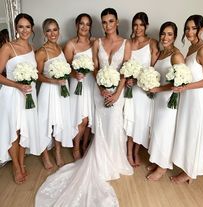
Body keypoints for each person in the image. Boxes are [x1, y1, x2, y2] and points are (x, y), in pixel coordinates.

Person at [35, 8, 133, 206]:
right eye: (104, 22)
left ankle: (113, 158)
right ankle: (82, 150)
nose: (106, 25)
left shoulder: (118, 43)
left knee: (111, 124)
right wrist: (100, 86)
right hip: (93, 88)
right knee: (87, 119)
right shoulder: (94, 42)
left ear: (116, 23)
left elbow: (125, 70)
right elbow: (89, 67)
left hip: (114, 92)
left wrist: (116, 93)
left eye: (110, 21)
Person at [0, 13, 41, 184]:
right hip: (12, 95)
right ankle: (16, 167)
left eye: (27, 27)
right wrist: (17, 85)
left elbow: (35, 74)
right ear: (16, 29)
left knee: (25, 129)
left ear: (32, 29)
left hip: (28, 95)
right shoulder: (7, 47)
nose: (24, 30)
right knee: (14, 131)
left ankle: (22, 163)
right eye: (21, 26)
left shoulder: (32, 48)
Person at [171, 15, 203, 184]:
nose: (189, 32)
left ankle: (190, 172)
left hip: (197, 99)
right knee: (187, 132)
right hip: (187, 97)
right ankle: (187, 168)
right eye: (187, 28)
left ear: (202, 29)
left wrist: (186, 87)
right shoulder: (191, 49)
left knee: (194, 133)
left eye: (194, 28)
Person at [146, 22, 185, 181]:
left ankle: (163, 167)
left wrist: (158, 89)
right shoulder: (162, 54)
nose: (165, 37)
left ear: (175, 36)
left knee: (165, 132)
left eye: (169, 34)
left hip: (169, 100)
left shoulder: (176, 55)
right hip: (158, 99)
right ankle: (158, 161)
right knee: (157, 131)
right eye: (163, 33)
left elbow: (180, 83)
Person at [35, 18, 73, 170]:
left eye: (55, 30)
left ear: (58, 31)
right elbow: (37, 75)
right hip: (48, 91)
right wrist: (53, 82)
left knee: (60, 121)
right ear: (44, 33)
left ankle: (58, 153)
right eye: (49, 30)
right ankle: (44, 156)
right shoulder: (41, 52)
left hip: (61, 91)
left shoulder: (60, 48)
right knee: (44, 122)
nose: (52, 33)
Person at [124, 12, 159, 167]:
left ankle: (136, 151)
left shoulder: (152, 43)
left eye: (141, 25)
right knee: (130, 120)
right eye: (135, 25)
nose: (138, 28)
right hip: (130, 91)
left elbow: (154, 69)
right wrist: (127, 80)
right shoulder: (127, 43)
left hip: (143, 91)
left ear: (146, 26)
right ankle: (128, 151)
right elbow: (123, 66)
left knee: (142, 123)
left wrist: (143, 81)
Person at [64, 13, 95, 160]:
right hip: (78, 84)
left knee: (89, 119)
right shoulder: (70, 44)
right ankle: (76, 147)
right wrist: (74, 74)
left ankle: (84, 146)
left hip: (91, 84)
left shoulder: (94, 43)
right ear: (76, 25)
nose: (84, 27)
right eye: (81, 23)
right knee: (81, 118)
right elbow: (66, 68)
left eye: (87, 24)